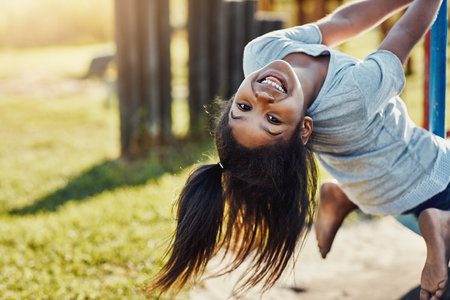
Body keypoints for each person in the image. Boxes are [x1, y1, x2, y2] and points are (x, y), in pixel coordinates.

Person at [147, 0, 450, 299]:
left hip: (363, 180)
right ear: (304, 129)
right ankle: (438, 222)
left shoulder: (262, 54)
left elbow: (343, 22)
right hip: (426, 178)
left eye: (243, 106)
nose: (263, 97)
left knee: (368, 179)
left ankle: (341, 195)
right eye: (273, 119)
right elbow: (409, 30)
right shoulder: (355, 95)